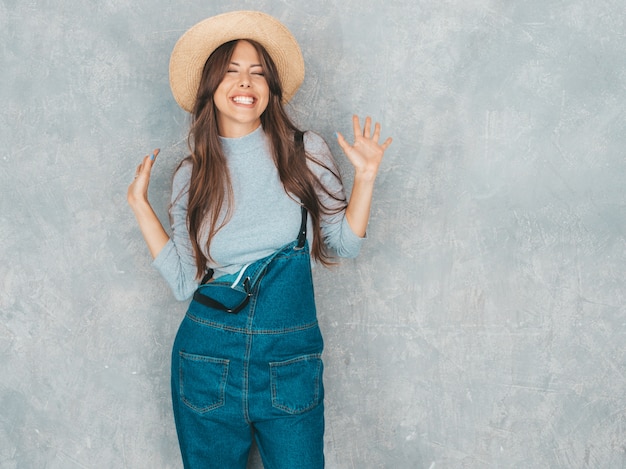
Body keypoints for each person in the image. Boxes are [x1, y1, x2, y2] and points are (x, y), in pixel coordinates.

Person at [127, 10, 392, 469]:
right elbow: (184, 282)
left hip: (288, 364)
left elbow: (342, 245)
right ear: (210, 87)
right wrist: (140, 207)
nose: (245, 83)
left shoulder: (304, 151)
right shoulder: (191, 174)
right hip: (207, 362)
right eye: (231, 72)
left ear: (270, 89)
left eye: (257, 73)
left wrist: (366, 178)